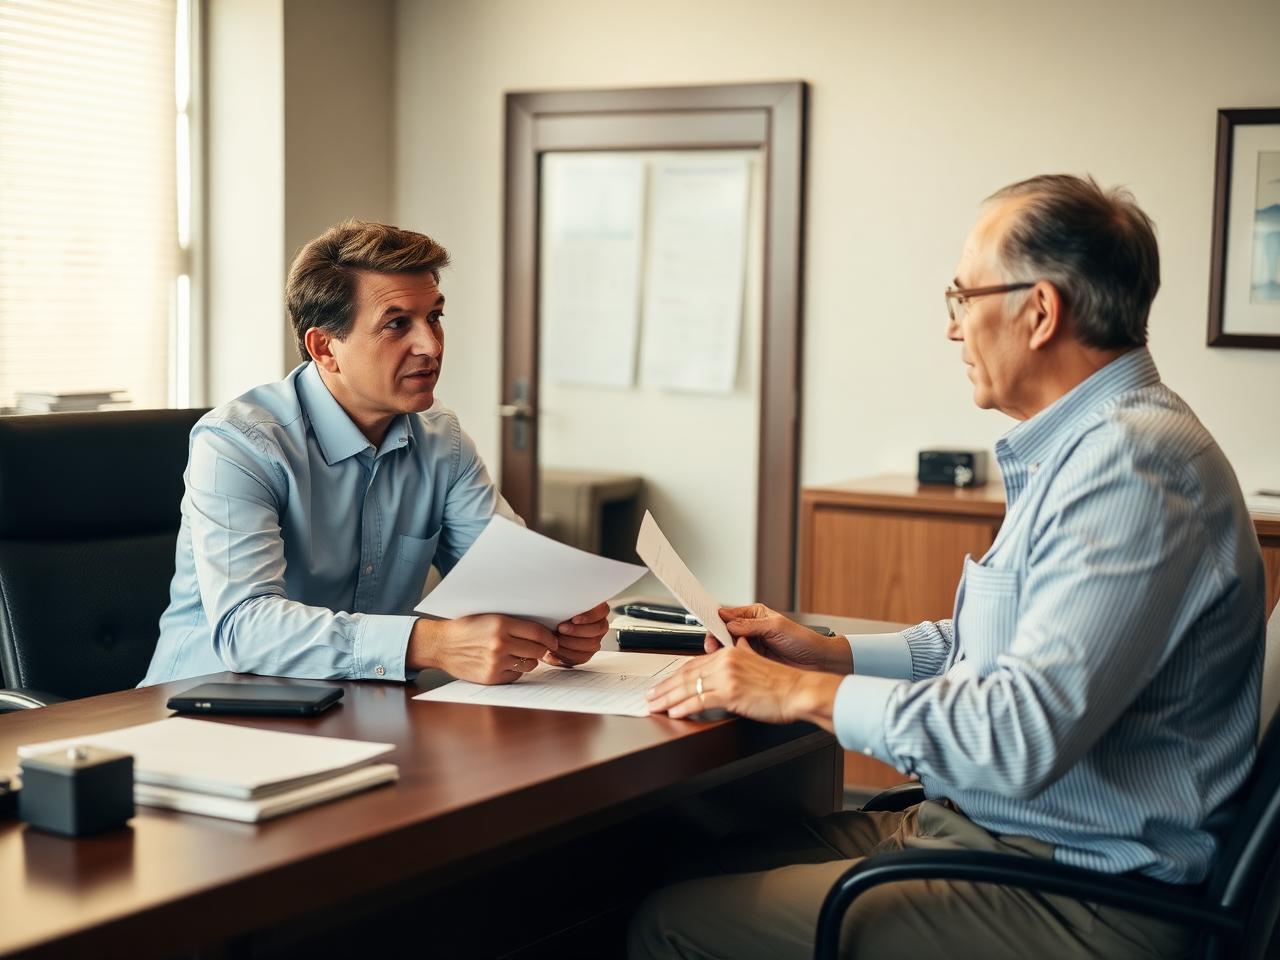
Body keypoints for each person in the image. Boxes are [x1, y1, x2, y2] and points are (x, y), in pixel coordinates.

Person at [633, 175, 1266, 959]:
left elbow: (1018, 733)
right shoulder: (1090, 446)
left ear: (1039, 312)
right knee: (682, 865)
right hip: (994, 837)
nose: (953, 328)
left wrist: (798, 691)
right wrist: (826, 652)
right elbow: (986, 652)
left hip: (1070, 894)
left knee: (664, 922)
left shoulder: (1131, 468)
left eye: (962, 297)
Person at [142, 220, 608, 687]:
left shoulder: (441, 438)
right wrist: (431, 643)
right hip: (207, 709)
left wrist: (558, 621)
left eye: (434, 318)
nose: (430, 345)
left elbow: (507, 577)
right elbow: (245, 628)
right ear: (325, 347)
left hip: (359, 704)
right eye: (397, 324)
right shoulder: (238, 444)